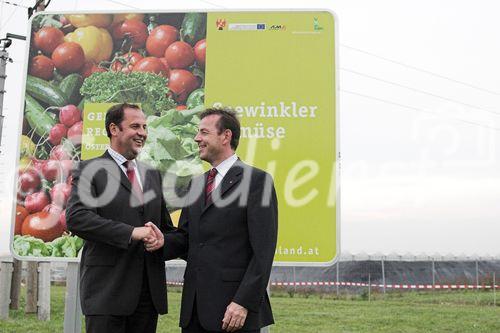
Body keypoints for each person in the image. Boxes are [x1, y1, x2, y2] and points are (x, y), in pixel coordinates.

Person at [146, 108, 278, 333]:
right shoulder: (196, 185)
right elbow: (188, 240)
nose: (197, 138)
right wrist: (163, 242)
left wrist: (243, 302)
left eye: (204, 132)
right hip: (194, 311)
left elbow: (263, 253)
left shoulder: (257, 181)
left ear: (226, 136)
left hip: (233, 313)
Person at [66, 103, 174, 333]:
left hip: (147, 297)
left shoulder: (152, 175)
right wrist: (131, 232)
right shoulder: (89, 169)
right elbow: (77, 218)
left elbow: (165, 228)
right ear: (114, 129)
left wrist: (162, 239)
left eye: (145, 127)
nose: (143, 133)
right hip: (107, 293)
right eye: (135, 126)